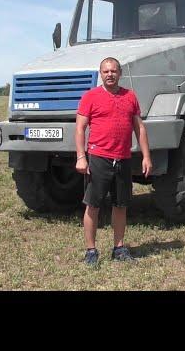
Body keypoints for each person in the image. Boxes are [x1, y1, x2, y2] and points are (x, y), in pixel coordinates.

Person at [75, 57, 152, 266]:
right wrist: (81, 157)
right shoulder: (91, 97)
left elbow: (140, 128)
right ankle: (91, 250)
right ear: (101, 74)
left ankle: (119, 247)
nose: (110, 74)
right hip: (98, 158)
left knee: (121, 205)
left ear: (120, 73)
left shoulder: (130, 97)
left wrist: (146, 156)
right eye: (106, 71)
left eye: (113, 71)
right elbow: (80, 128)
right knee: (93, 205)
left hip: (123, 158)